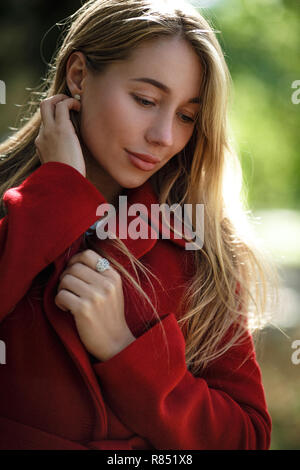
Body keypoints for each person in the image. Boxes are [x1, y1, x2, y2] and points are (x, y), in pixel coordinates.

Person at [0, 0, 277, 450]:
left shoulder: (200, 246)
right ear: (78, 76)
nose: (164, 137)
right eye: (146, 100)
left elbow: (247, 438)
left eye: (187, 116)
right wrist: (58, 193)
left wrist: (124, 348)